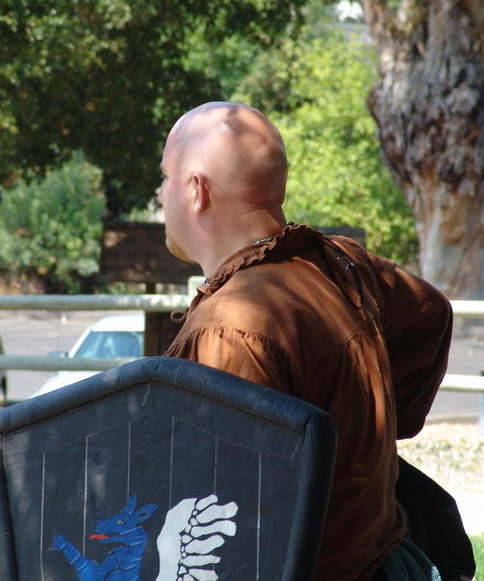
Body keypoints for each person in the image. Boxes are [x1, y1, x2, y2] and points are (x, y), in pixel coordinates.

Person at [157, 102, 455, 580]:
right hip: (382, 562)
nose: (160, 193)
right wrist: (367, 427)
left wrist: (361, 431)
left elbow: (216, 508)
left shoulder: (229, 328)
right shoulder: (340, 263)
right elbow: (431, 310)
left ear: (197, 190)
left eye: (165, 177)